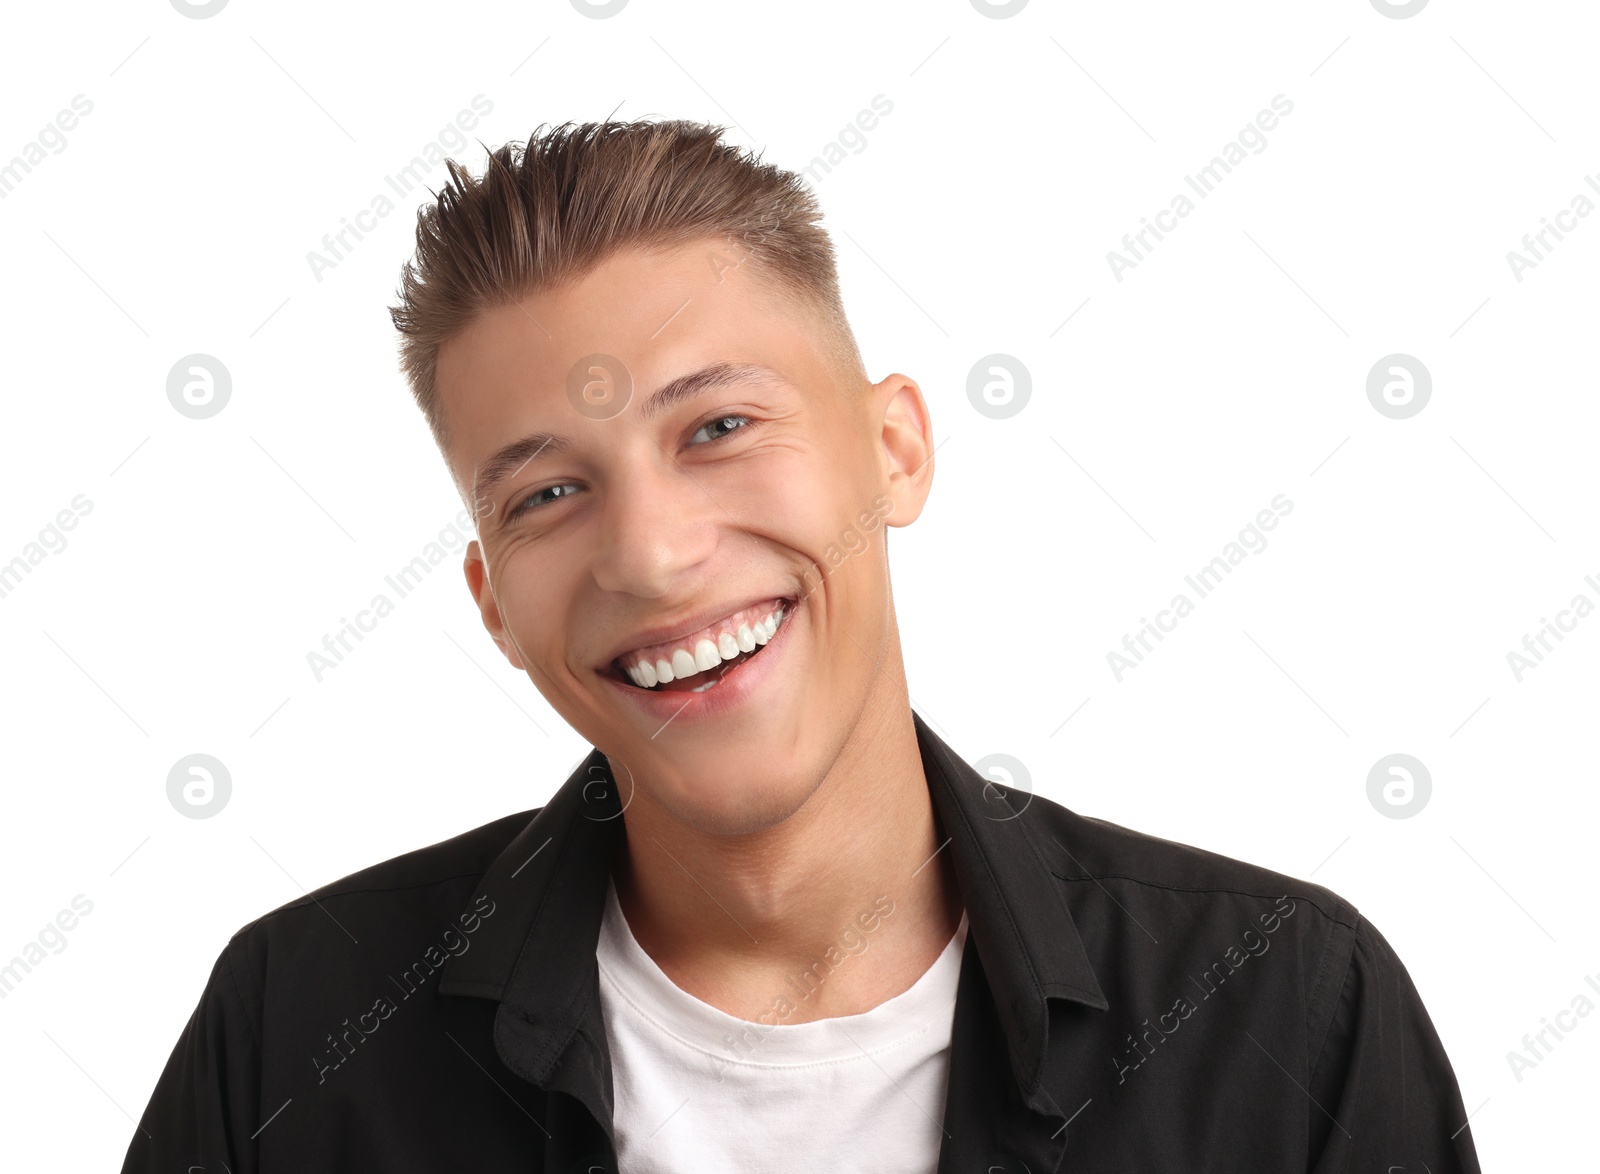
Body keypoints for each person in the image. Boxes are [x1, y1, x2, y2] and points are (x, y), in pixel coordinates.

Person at [122, 119, 1482, 1173]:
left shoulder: (1285, 1007)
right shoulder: (293, 1034)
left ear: (894, 447)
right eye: (547, 492)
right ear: (493, 599)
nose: (651, 555)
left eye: (716, 427)